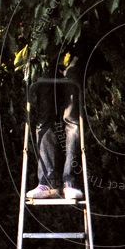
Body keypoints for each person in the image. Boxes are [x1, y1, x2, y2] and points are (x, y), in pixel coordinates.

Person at [26, 52, 84, 201]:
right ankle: (47, 182)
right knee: (44, 120)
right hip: (45, 53)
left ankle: (69, 182)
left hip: (73, 51)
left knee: (72, 120)